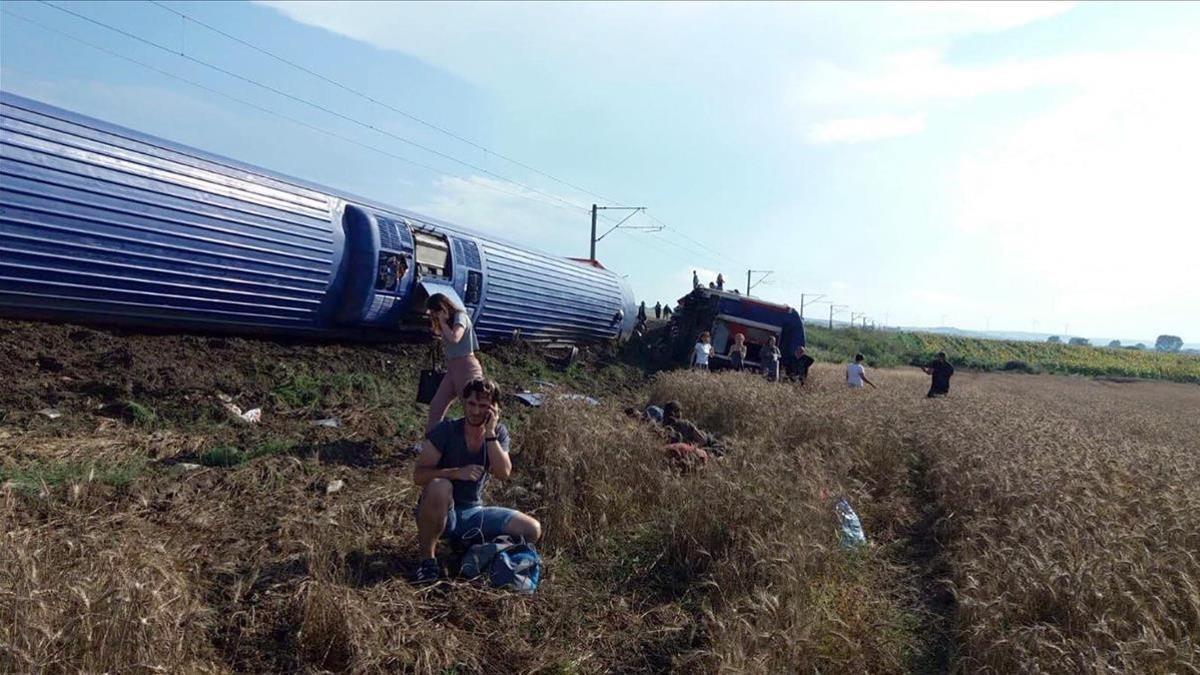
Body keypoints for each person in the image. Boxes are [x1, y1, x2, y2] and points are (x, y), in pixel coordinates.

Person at [412, 378, 541, 583]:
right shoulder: (446, 430)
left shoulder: (498, 433)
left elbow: (503, 473)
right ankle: (427, 561)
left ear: (494, 408)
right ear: (464, 403)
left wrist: (489, 434)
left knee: (532, 529)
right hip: (444, 510)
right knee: (440, 485)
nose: (475, 411)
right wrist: (455, 473)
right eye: (471, 404)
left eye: (483, 406)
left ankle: (475, 552)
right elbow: (419, 476)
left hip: (474, 512)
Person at [425, 293, 484, 434]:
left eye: (435, 311)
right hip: (453, 369)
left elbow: (455, 338)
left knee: (472, 409)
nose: (434, 315)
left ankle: (482, 443)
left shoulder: (460, 316)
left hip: (466, 367)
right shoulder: (448, 322)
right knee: (436, 406)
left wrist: (443, 322)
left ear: (442, 308)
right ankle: (431, 443)